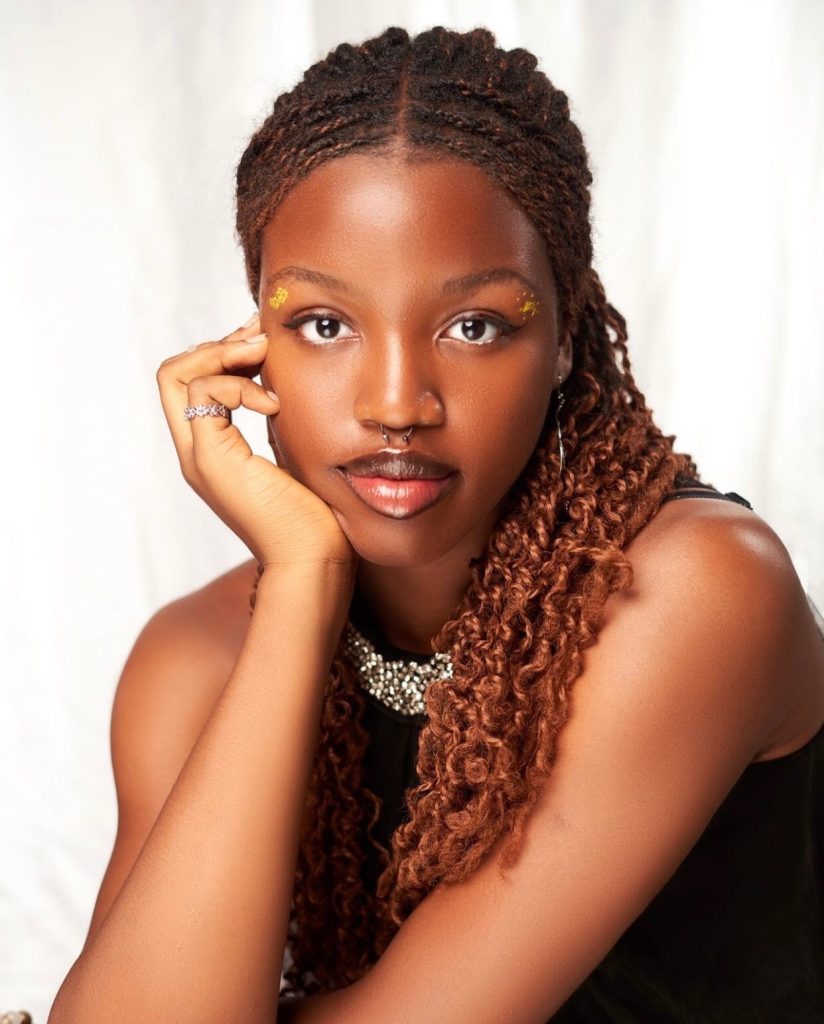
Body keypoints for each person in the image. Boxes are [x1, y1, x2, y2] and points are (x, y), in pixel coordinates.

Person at [48, 24, 824, 1024]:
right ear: (252, 343)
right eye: (324, 324)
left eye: (474, 326)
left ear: (562, 335)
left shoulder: (694, 593)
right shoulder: (196, 658)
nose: (396, 404)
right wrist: (302, 585)